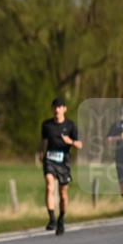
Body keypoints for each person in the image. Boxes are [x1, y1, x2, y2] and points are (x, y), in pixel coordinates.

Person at [41, 97, 82, 235]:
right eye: (54, 107)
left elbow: (79, 144)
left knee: (63, 194)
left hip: (64, 161)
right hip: (50, 160)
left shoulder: (70, 125)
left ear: (64, 109)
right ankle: (52, 218)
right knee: (49, 185)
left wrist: (69, 141)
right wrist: (41, 153)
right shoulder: (46, 125)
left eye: (59, 107)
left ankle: (61, 219)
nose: (57, 110)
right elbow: (44, 141)